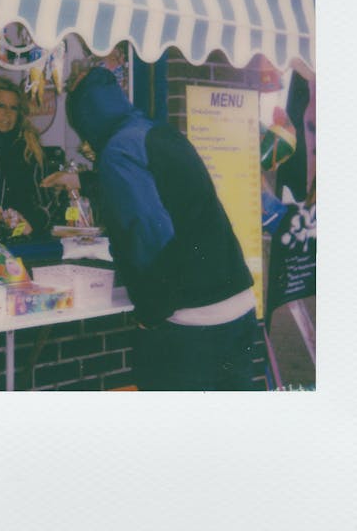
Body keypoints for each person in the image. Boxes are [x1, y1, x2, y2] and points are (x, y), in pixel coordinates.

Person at [42, 65, 257, 391]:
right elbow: (157, 189)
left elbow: (147, 237)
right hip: (238, 304)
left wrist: (151, 312)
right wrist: (80, 180)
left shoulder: (117, 151)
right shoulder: (154, 132)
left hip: (193, 322)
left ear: (86, 119)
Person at [0, 77, 52, 240]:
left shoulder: (29, 148)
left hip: (19, 239)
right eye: (0, 106)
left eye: (13, 108)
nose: (7, 113)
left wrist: (32, 224)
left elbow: (46, 202)